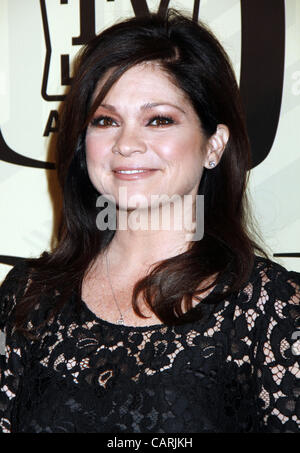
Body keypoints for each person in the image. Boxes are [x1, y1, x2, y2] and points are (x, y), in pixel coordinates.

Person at [0, 9, 300, 434]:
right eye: (106, 121)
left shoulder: (271, 309)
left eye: (159, 120)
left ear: (214, 144)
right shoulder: (29, 296)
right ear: (83, 145)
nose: (126, 144)